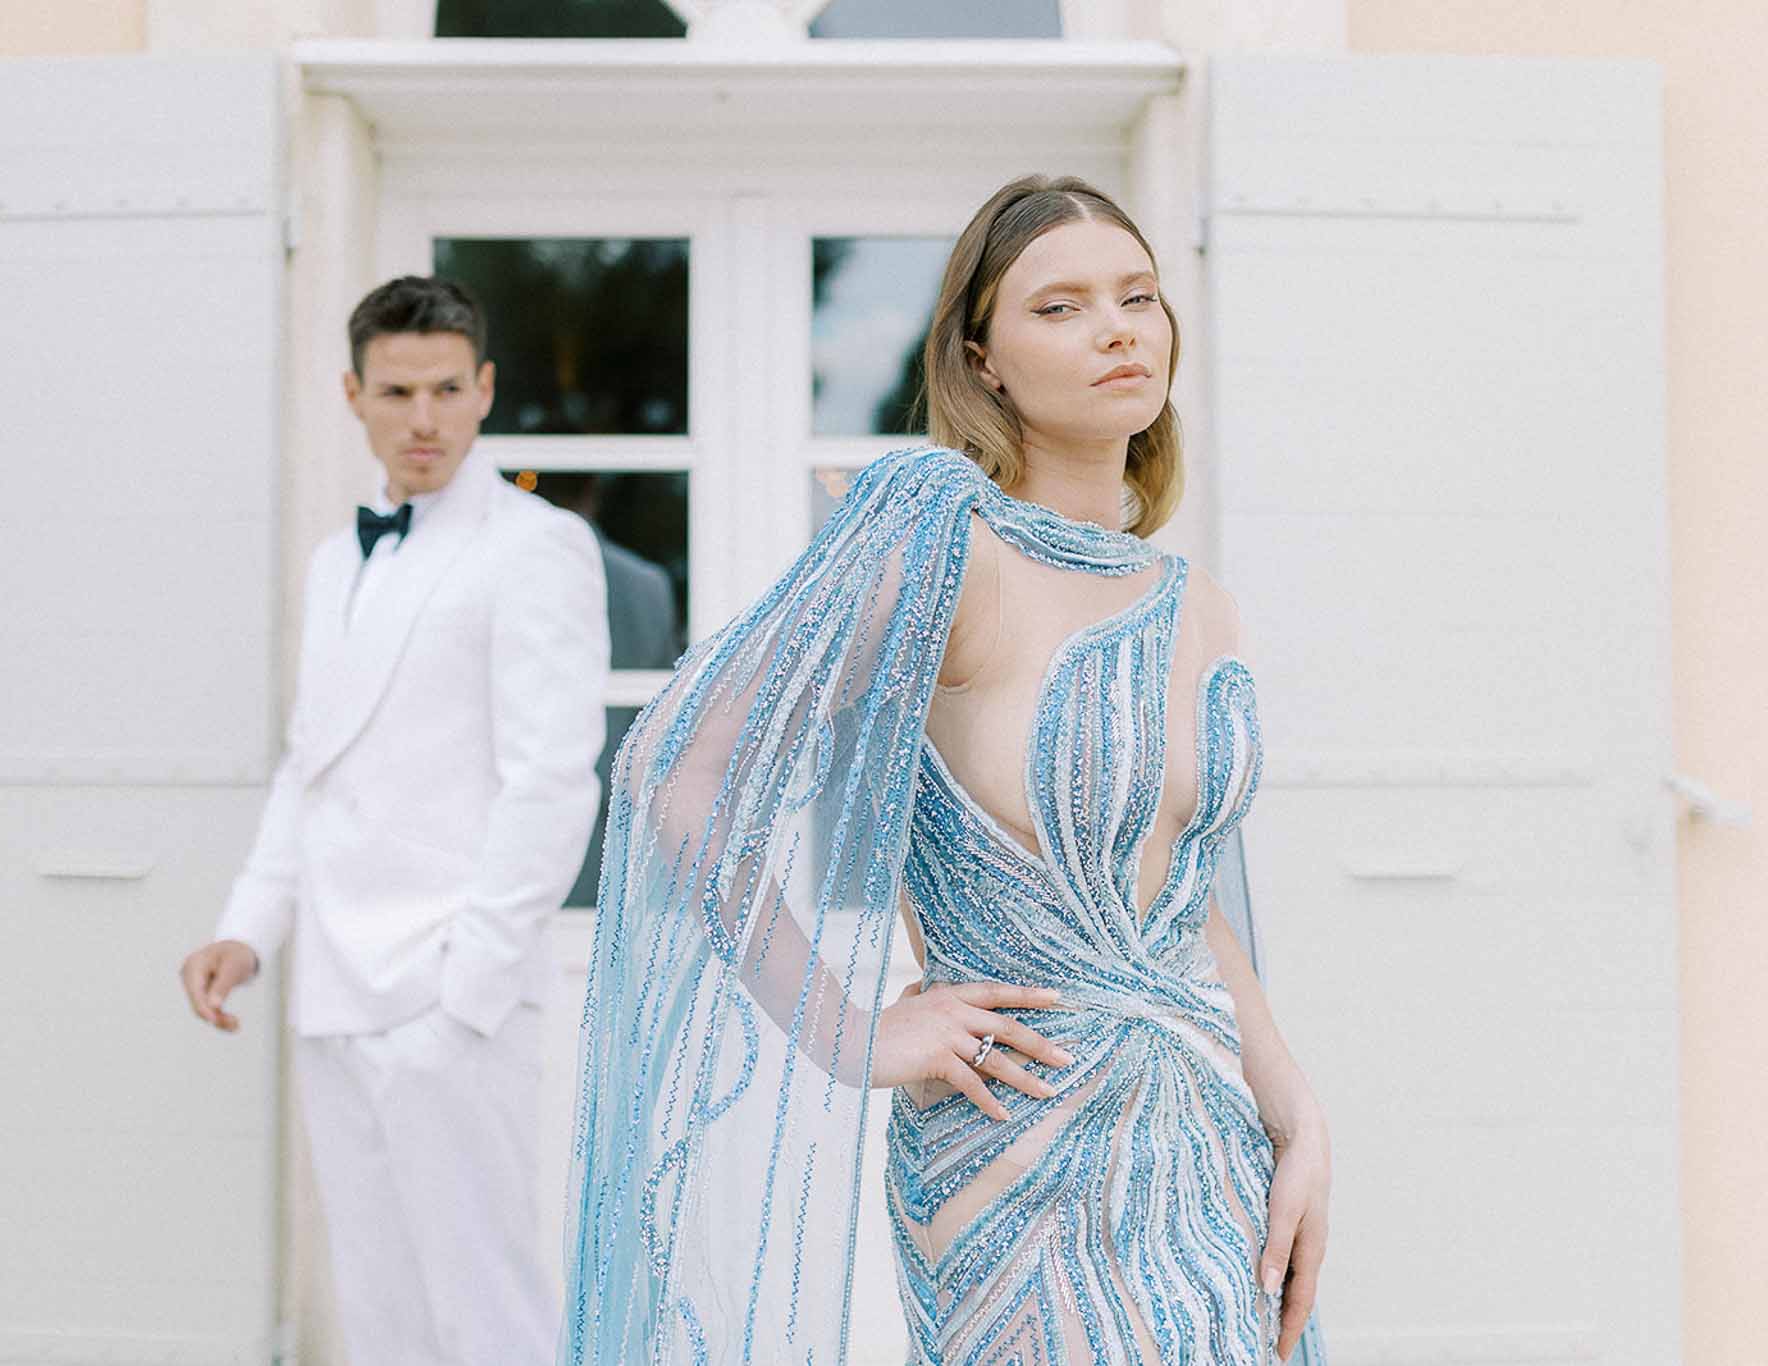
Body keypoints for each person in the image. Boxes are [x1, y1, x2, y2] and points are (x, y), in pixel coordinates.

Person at [560, 176, 1331, 1365]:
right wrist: (849, 1032)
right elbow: (678, 769)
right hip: (1015, 1155)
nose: (1117, 327)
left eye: (1137, 296)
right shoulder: (939, 538)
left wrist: (1294, 1113)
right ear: (982, 360)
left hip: (1208, 1147)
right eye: (1060, 306)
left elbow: (1186, 905)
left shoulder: (1198, 604)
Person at [178, 276, 609, 1366]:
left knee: (487, 1309)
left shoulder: (535, 544)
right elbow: (311, 763)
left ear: (484, 391)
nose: (423, 418)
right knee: (380, 1311)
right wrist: (248, 925)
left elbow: (553, 779)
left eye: (447, 389)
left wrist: (464, 988)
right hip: (334, 986)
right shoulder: (337, 562)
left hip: (447, 995)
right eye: (398, 390)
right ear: (352, 393)